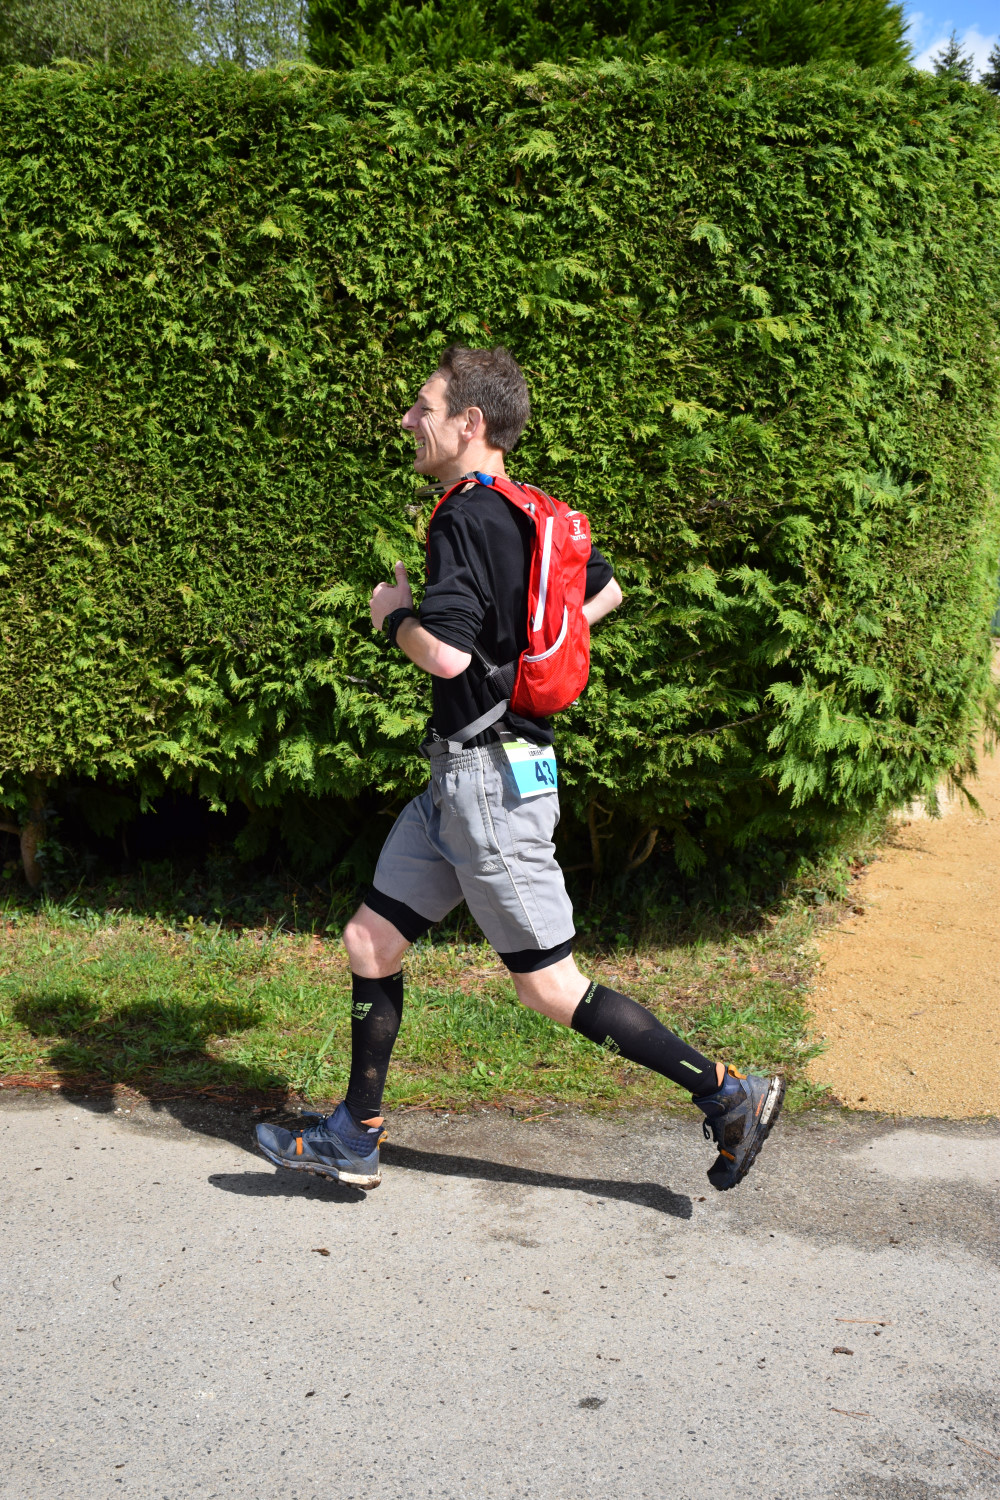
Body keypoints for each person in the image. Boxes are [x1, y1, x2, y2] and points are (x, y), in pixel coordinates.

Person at [255, 344, 784, 1192]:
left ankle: (728, 1093)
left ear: (470, 423)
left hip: (488, 790)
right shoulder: (531, 512)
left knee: (548, 988)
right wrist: (530, 668)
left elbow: (447, 656)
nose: (408, 420)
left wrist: (392, 616)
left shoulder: (463, 517)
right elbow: (605, 592)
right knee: (370, 940)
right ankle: (356, 1135)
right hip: (463, 780)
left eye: (423, 408)